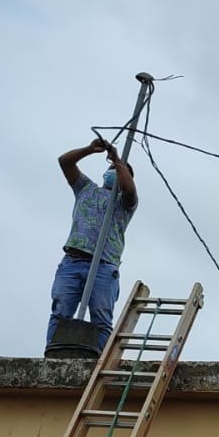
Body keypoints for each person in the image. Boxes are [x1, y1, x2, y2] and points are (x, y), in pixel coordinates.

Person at [48, 138, 139, 351]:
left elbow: (129, 190)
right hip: (73, 261)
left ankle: (98, 358)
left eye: (119, 171)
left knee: (101, 319)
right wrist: (90, 149)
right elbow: (65, 162)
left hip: (104, 267)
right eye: (111, 169)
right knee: (60, 312)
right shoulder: (85, 189)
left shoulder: (126, 203)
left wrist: (117, 159)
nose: (114, 172)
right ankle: (53, 353)